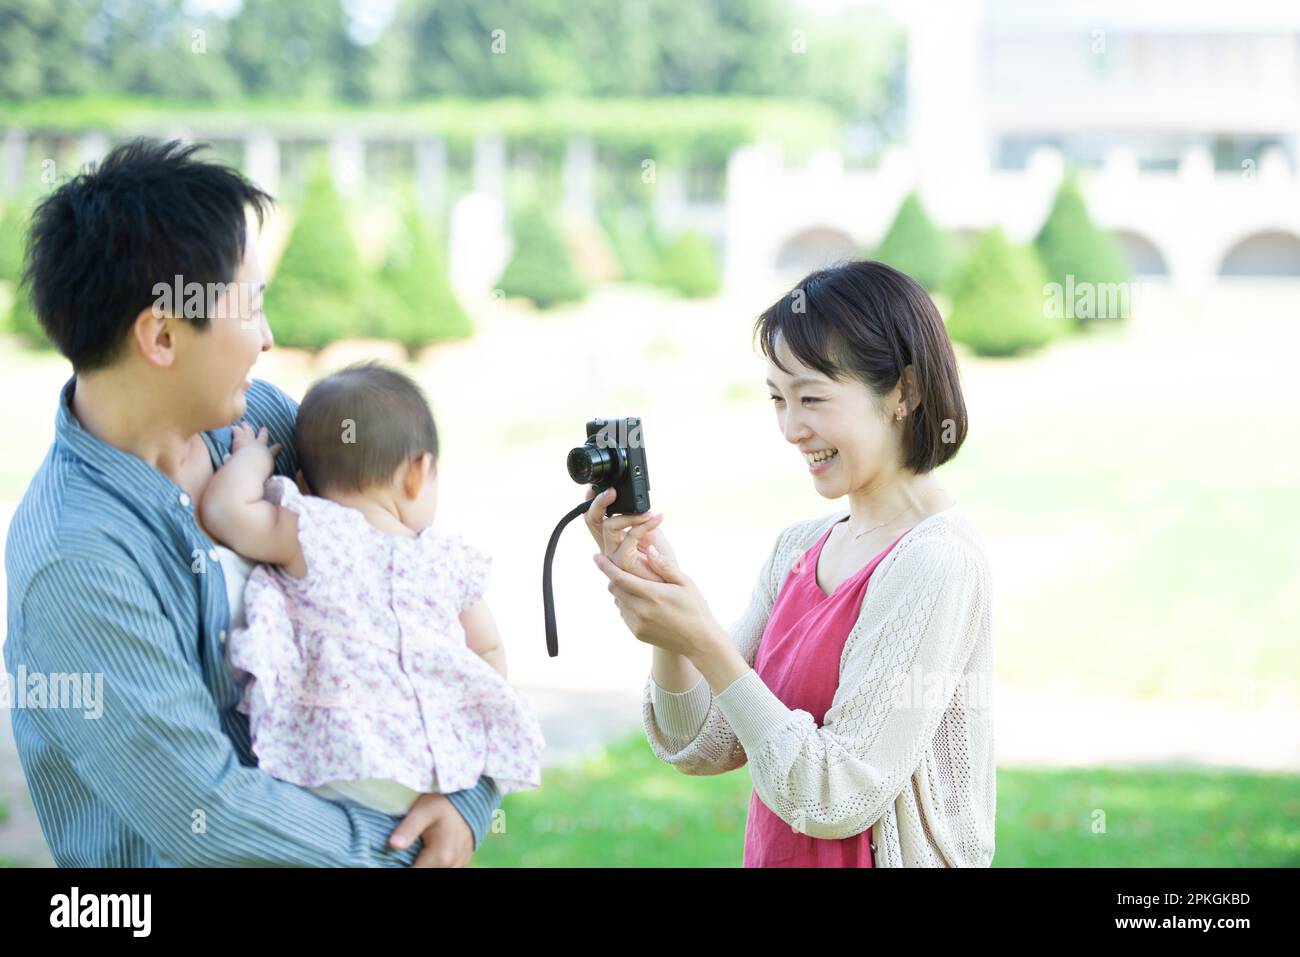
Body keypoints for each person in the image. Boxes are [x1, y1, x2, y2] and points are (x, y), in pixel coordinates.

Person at [3, 137, 500, 866]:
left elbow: (422, 593)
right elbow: (207, 811)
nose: (268, 338)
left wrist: (462, 797)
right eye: (253, 305)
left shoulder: (265, 422)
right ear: (163, 334)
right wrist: (405, 851)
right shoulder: (76, 559)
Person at [585, 260, 995, 867]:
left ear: (904, 392)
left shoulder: (935, 564)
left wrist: (704, 637)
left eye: (812, 398)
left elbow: (838, 795)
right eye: (778, 399)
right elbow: (699, 741)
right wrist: (667, 617)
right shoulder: (798, 550)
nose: (791, 428)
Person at [201, 362, 545, 815]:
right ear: (418, 473)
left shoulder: (311, 530)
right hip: (435, 770)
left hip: (333, 761)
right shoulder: (446, 561)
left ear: (303, 484)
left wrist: (254, 458)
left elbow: (224, 510)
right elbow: (487, 649)